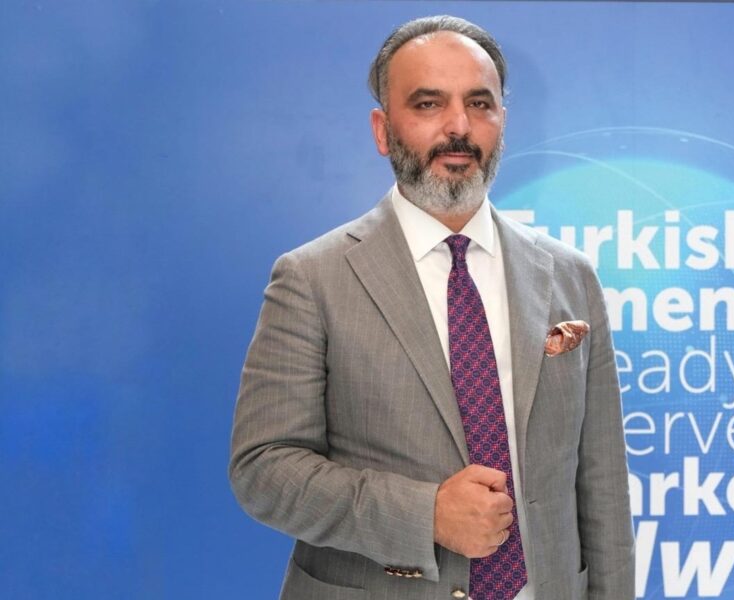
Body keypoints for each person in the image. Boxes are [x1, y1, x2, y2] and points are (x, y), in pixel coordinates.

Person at [229, 15, 634, 600]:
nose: (458, 127)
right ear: (382, 130)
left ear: (502, 120)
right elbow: (263, 470)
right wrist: (426, 515)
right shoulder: (312, 279)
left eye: (479, 104)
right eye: (428, 104)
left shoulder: (570, 276)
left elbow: (602, 483)